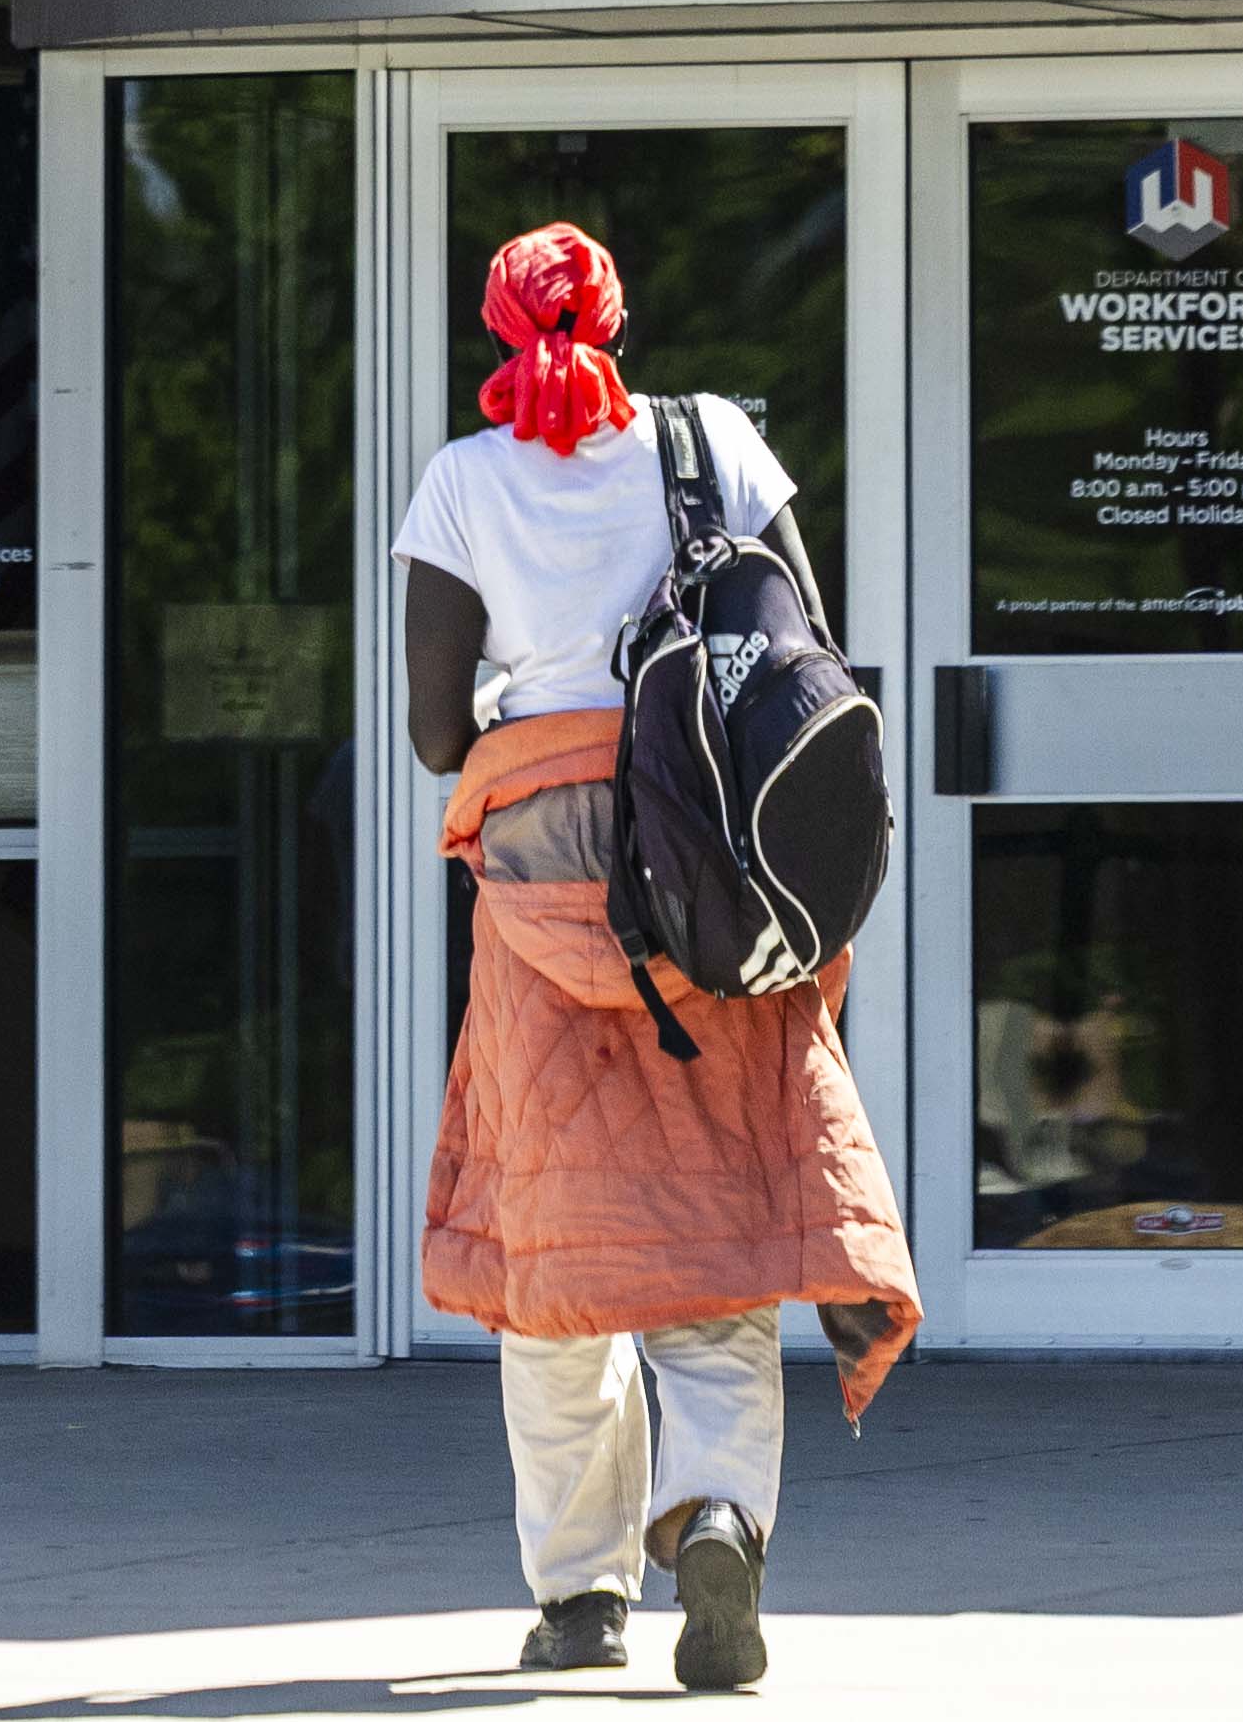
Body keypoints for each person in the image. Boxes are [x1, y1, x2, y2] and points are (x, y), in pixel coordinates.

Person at [399, 221, 919, 1696]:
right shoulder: (719, 445)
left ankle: (579, 1597)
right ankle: (724, 1518)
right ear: (618, 321)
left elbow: (441, 732)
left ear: (499, 328)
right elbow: (799, 654)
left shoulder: (462, 479)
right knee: (713, 1252)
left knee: (553, 1263)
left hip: (541, 884)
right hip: (710, 877)